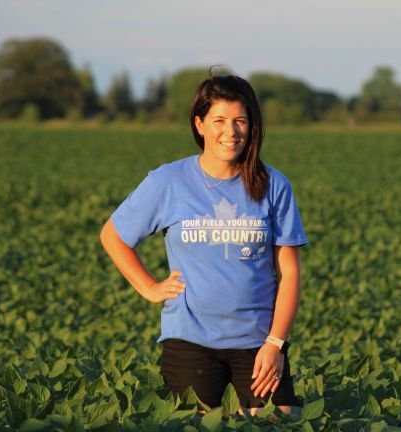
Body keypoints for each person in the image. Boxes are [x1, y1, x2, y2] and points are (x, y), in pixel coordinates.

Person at [100, 74, 308, 414]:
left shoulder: (274, 185)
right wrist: (149, 287)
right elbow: (113, 235)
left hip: (257, 342)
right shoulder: (168, 181)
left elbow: (289, 272)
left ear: (252, 126)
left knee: (282, 418)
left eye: (240, 121)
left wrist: (276, 344)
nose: (231, 132)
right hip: (190, 341)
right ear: (199, 125)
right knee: (201, 422)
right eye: (219, 121)